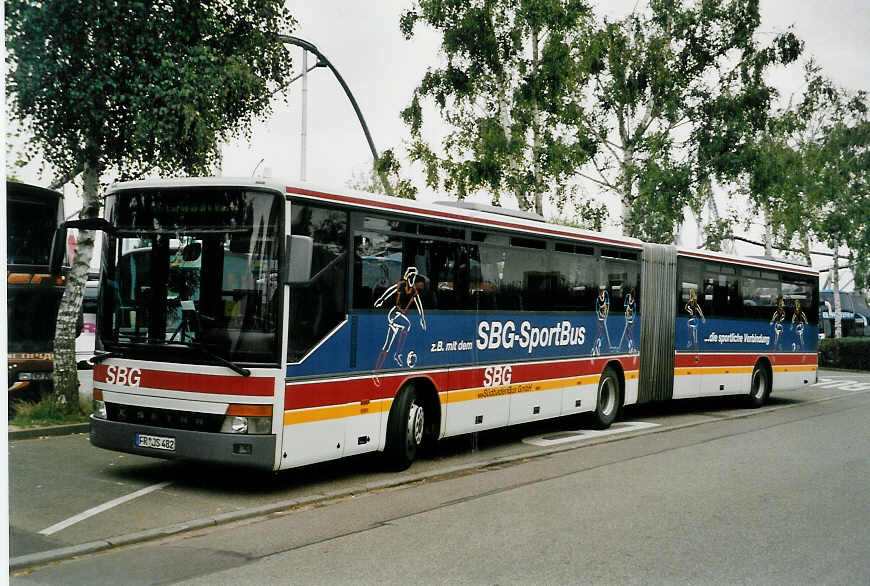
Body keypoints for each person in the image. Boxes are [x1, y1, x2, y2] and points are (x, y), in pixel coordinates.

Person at [372, 266, 427, 386]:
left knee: (386, 346)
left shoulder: (414, 291)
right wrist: (381, 300)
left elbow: (419, 306)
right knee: (407, 325)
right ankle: (398, 354)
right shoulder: (401, 285)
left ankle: (375, 372)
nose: (412, 279)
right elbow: (390, 291)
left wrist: (422, 319)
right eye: (411, 276)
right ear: (407, 277)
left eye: (414, 277)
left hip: (399, 317)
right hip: (394, 313)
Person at [592, 285, 610, 356]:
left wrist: (606, 316)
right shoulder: (598, 299)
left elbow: (607, 307)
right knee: (598, 334)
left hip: (603, 318)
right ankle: (594, 348)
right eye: (602, 291)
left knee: (602, 335)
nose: (603, 292)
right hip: (600, 318)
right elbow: (597, 310)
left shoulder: (605, 297)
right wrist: (600, 316)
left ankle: (597, 346)